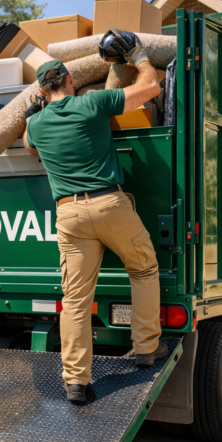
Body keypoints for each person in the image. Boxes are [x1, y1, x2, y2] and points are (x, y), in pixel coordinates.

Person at [23, 37, 166, 404]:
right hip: (108, 205)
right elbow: (150, 87)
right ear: (71, 80)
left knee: (74, 299)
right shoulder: (93, 102)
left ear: (42, 89)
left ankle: (75, 382)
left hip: (69, 215)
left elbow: (27, 144)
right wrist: (139, 57)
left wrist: (37, 109)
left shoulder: (36, 126)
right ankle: (147, 348)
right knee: (144, 268)